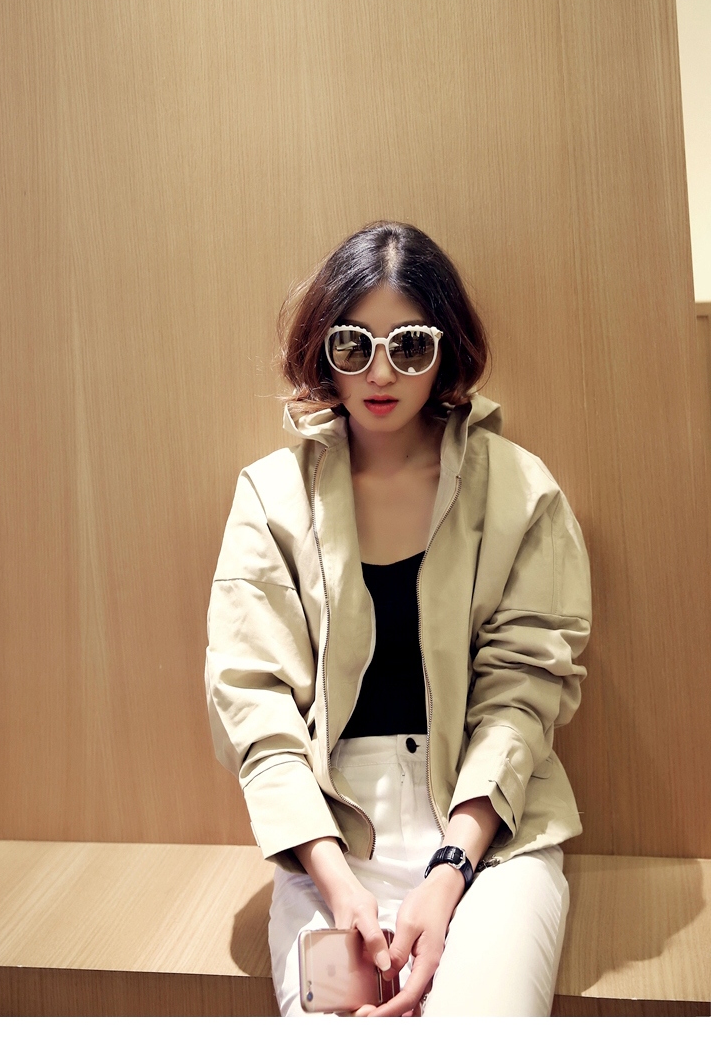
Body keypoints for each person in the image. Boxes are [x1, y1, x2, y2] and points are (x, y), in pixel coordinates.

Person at [205, 221, 591, 1017]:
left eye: (410, 345)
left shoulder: (521, 490)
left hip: (490, 833)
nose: (381, 372)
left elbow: (523, 697)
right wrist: (334, 880)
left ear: (446, 349)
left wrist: (450, 870)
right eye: (354, 345)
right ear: (323, 350)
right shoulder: (270, 498)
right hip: (328, 840)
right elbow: (255, 709)